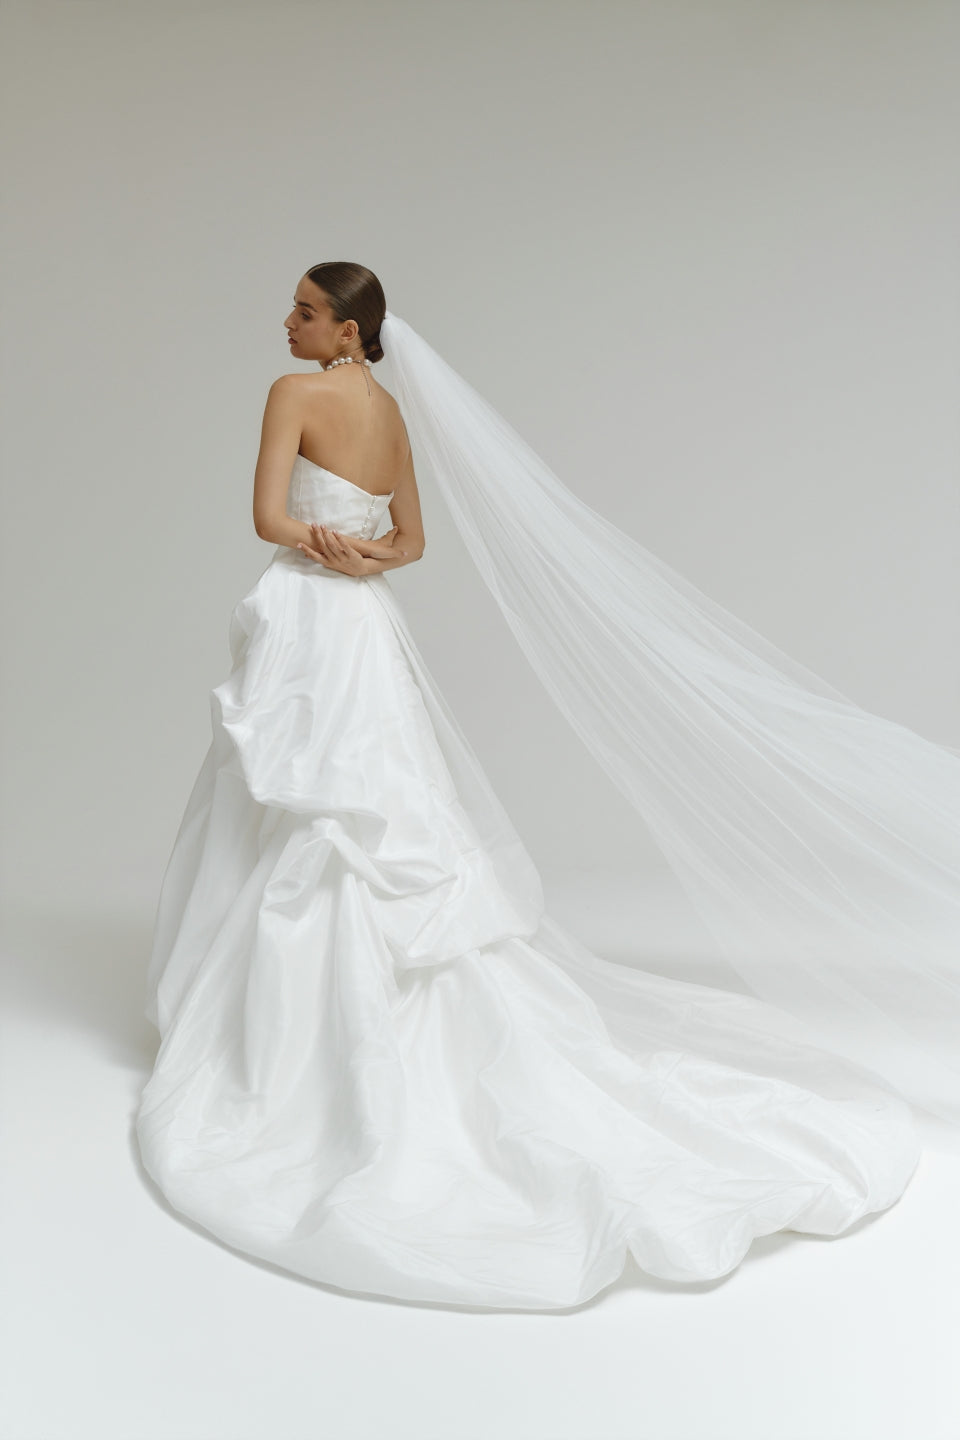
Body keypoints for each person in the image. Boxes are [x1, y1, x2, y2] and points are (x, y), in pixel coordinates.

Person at [136, 261, 957, 1312]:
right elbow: (413, 545)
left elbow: (265, 519)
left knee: (310, 805)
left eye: (305, 309)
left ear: (347, 330)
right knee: (352, 804)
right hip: (363, 625)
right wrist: (363, 554)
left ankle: (275, 1032)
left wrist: (318, 544)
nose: (285, 322)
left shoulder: (293, 395)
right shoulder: (385, 409)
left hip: (306, 616)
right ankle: (299, 1009)